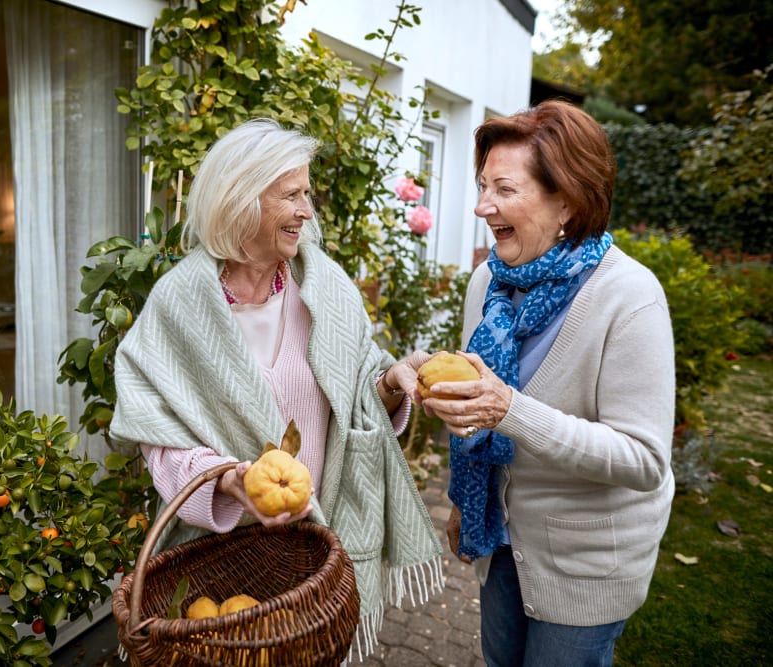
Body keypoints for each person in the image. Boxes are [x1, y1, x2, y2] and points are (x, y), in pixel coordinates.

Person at [109, 117, 444, 659]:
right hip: (222, 562)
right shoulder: (177, 306)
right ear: (242, 200)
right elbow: (160, 444)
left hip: (315, 554)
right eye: (292, 195)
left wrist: (390, 379)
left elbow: (360, 391)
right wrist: (230, 481)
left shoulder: (324, 286)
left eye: (306, 194)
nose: (307, 211)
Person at [421, 100, 675, 666]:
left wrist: (509, 410)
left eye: (504, 189)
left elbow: (644, 459)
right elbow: (477, 401)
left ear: (567, 198)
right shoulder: (489, 279)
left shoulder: (629, 298)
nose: (482, 206)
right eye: (483, 185)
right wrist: (467, 499)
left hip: (585, 563)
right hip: (501, 538)